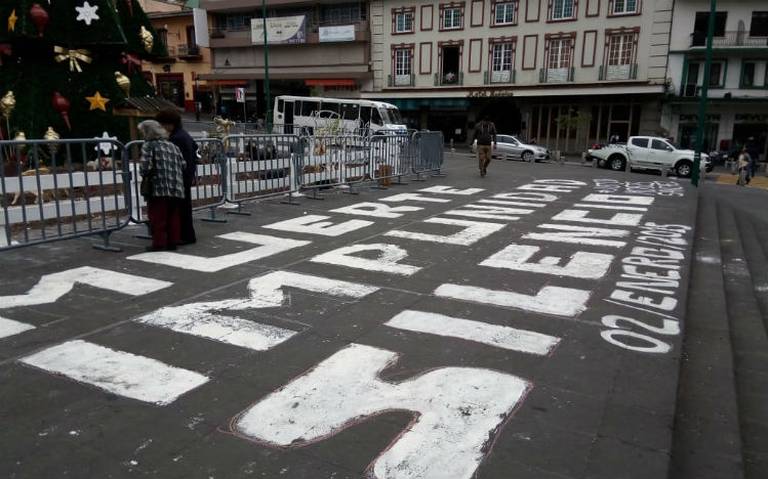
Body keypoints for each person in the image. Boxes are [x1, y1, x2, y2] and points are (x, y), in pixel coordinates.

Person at [138, 120, 186, 252]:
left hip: (158, 186)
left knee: (158, 216)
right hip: (176, 186)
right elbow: (183, 165)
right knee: (173, 215)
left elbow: (145, 168)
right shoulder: (173, 146)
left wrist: (145, 173)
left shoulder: (149, 146)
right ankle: (173, 241)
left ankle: (159, 243)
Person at [156, 109, 198, 245]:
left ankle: (184, 235)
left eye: (162, 124)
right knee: (184, 206)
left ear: (169, 124)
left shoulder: (176, 138)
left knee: (180, 207)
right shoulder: (183, 135)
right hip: (187, 173)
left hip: (180, 176)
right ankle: (186, 235)